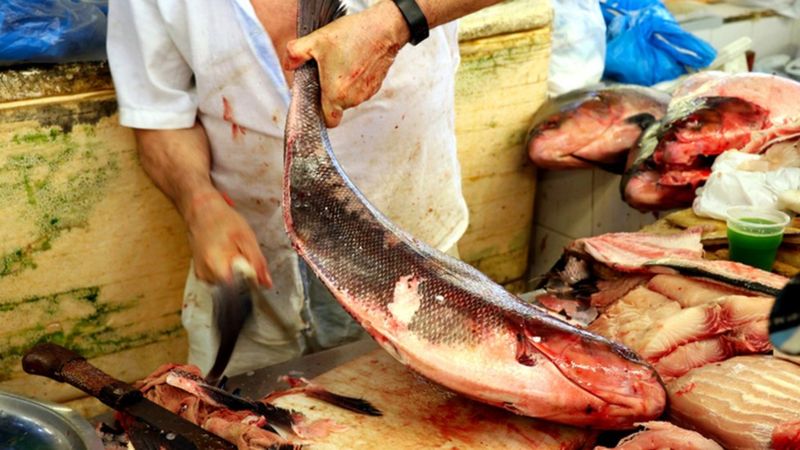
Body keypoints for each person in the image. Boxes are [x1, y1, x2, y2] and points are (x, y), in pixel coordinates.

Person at [106, 0, 503, 376]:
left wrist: (396, 21)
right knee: (235, 415)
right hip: (251, 281)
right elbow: (160, 117)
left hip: (413, 277)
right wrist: (199, 203)